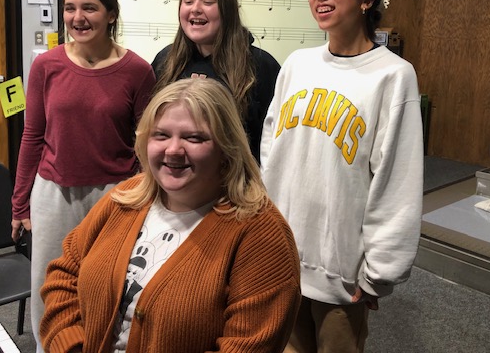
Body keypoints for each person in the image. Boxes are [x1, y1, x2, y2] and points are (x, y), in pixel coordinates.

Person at [39, 78, 301, 353]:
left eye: (194, 137)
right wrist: (71, 347)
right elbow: (64, 274)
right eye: (161, 135)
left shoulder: (261, 235)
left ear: (227, 149)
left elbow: (248, 346)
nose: (173, 150)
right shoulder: (126, 197)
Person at [260, 0, 423, 352]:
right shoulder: (297, 64)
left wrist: (380, 272)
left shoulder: (393, 76)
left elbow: (397, 181)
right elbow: (270, 152)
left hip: (342, 271)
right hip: (283, 259)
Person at [11, 0, 156, 350]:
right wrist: (19, 202)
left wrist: (147, 197)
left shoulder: (138, 71)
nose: (78, 17)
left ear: (111, 14)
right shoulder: (47, 65)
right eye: (70, 8)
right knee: (50, 286)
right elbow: (32, 136)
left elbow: (146, 142)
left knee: (105, 283)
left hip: (116, 194)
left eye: (89, 8)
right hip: (54, 193)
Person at [151, 0, 280, 162]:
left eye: (208, 1)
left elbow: (273, 143)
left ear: (228, 10)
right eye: (188, 1)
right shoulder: (165, 61)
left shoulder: (262, 66)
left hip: (237, 186)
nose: (195, 8)